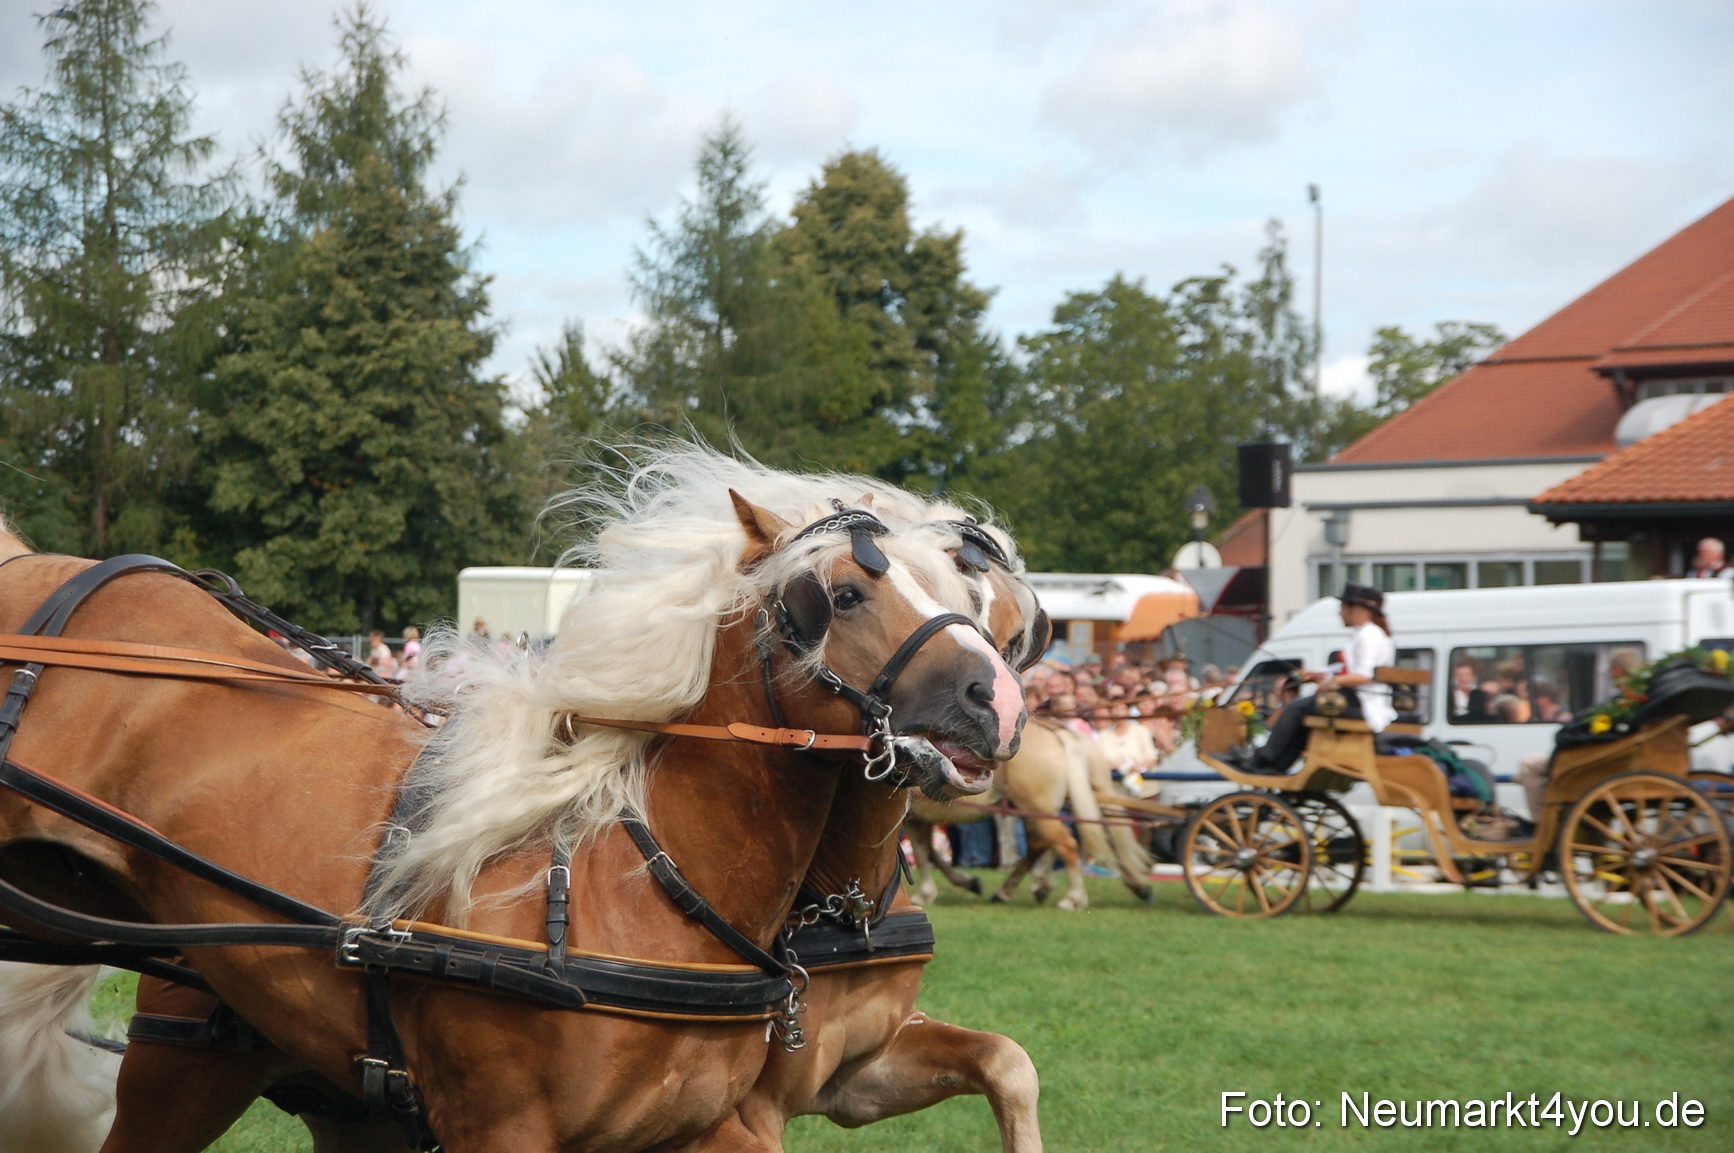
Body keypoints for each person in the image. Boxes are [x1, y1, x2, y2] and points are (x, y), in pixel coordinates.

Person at [1236, 583, 1396, 773]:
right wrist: (1314, 674)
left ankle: (1265, 759)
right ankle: (1277, 764)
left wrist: (1331, 682)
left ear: (1359, 610)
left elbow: (1364, 675)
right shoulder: (1365, 634)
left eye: (1343, 608)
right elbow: (1347, 669)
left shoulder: (1368, 636)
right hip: (1359, 700)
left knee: (1295, 709)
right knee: (1305, 714)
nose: (1340, 614)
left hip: (1361, 703)